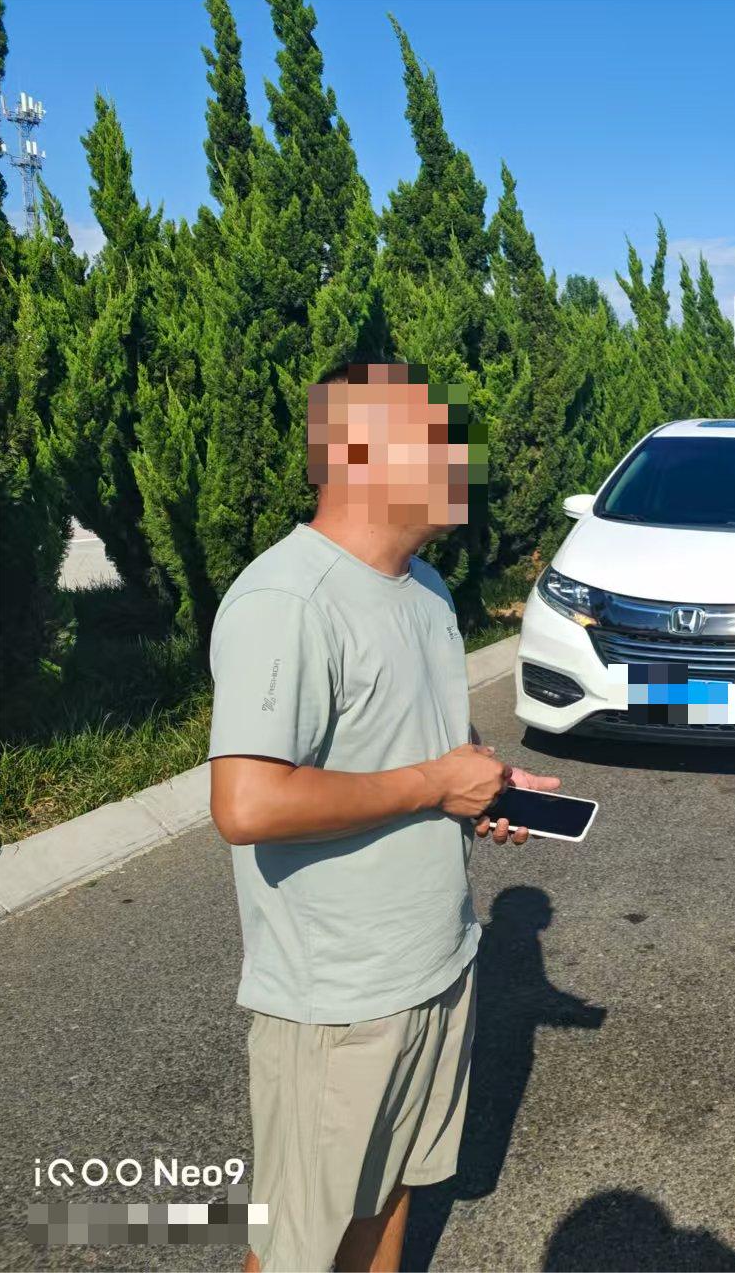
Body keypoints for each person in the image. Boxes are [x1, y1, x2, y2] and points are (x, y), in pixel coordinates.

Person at [207, 361, 558, 1273]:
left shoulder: (425, 588)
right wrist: (435, 785)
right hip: (337, 1000)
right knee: (298, 1246)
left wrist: (483, 781)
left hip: (436, 964)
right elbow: (246, 802)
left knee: (395, 1189)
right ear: (360, 453)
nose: (462, 459)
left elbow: (416, 743)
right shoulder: (288, 599)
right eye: (439, 440)